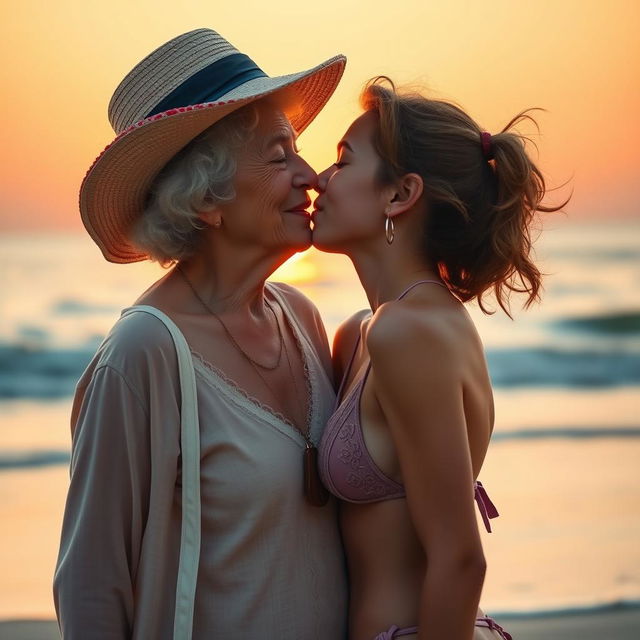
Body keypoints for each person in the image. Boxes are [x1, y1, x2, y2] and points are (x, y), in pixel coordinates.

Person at [53, 28, 348, 639]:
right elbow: (90, 588)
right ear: (206, 198)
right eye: (278, 155)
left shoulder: (304, 319)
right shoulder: (143, 354)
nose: (311, 174)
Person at [314, 77, 564, 640]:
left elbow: (460, 558)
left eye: (343, 162)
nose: (319, 180)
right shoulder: (362, 333)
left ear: (400, 195)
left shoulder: (409, 333)